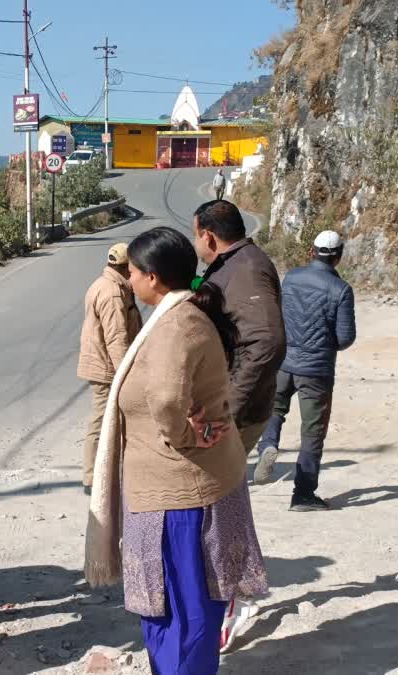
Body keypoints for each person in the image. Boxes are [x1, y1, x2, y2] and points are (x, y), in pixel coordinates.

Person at [85, 226, 268, 675]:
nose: (128, 281)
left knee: (180, 609)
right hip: (177, 489)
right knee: (179, 606)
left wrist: (184, 437)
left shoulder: (177, 324)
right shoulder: (178, 313)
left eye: (131, 272)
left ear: (153, 277)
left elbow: (167, 399)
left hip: (180, 498)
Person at [257, 231, 356, 511]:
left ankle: (267, 445)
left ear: (312, 252)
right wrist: (324, 344)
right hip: (316, 369)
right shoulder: (341, 290)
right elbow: (346, 338)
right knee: (312, 433)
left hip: (284, 361)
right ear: (338, 256)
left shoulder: (291, 277)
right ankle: (302, 494)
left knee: (275, 409)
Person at [191, 200, 286, 476]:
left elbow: (266, 341)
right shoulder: (234, 264)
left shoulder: (246, 269)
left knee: (210, 494)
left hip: (236, 415)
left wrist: (227, 410)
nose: (196, 243)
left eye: (195, 235)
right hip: (234, 408)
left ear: (207, 236)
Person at [77, 242, 142, 492]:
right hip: (106, 368)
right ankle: (92, 477)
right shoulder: (113, 293)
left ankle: (104, 472)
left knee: (108, 420)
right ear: (127, 266)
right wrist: (125, 372)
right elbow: (116, 337)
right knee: (102, 420)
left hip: (103, 364)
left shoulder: (107, 284)